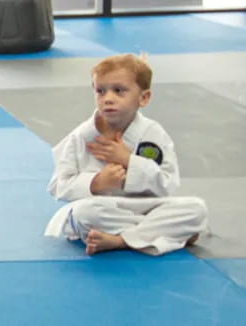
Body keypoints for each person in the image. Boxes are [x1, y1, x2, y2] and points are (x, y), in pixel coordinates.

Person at [45, 53, 207, 256]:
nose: (108, 98)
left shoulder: (153, 134)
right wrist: (96, 183)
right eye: (100, 91)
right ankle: (169, 233)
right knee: (82, 214)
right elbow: (58, 185)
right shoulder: (81, 136)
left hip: (147, 206)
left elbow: (167, 184)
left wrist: (129, 160)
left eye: (119, 91)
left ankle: (120, 240)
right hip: (104, 209)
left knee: (196, 209)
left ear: (144, 98)